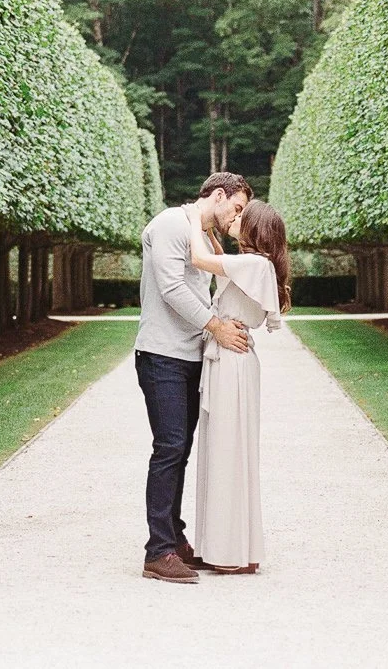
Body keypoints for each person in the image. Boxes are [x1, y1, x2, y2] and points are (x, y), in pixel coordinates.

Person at [134, 171, 251, 584]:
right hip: (162, 355)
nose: (237, 217)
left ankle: (174, 538)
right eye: (235, 208)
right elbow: (170, 288)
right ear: (217, 195)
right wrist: (216, 326)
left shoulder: (201, 236)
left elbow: (203, 288)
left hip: (188, 357)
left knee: (179, 450)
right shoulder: (169, 224)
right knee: (168, 448)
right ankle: (158, 551)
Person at [188, 198, 289, 574]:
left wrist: (191, 218)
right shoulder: (254, 267)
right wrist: (212, 228)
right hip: (231, 360)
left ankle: (229, 551)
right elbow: (218, 265)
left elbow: (200, 260)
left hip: (231, 362)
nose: (235, 216)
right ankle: (231, 547)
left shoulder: (254, 264)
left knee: (227, 450)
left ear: (254, 229)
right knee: (226, 449)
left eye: (242, 215)